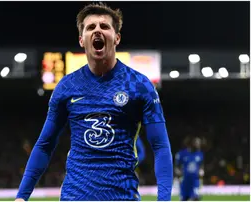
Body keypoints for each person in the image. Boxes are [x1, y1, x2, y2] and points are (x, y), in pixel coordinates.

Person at [16, 2, 173, 201]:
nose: (97, 30)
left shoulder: (139, 85)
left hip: (122, 197)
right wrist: (22, 197)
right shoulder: (66, 86)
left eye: (104, 26)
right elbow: (44, 145)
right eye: (91, 27)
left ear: (117, 38)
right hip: (75, 197)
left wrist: (164, 199)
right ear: (82, 40)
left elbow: (160, 146)